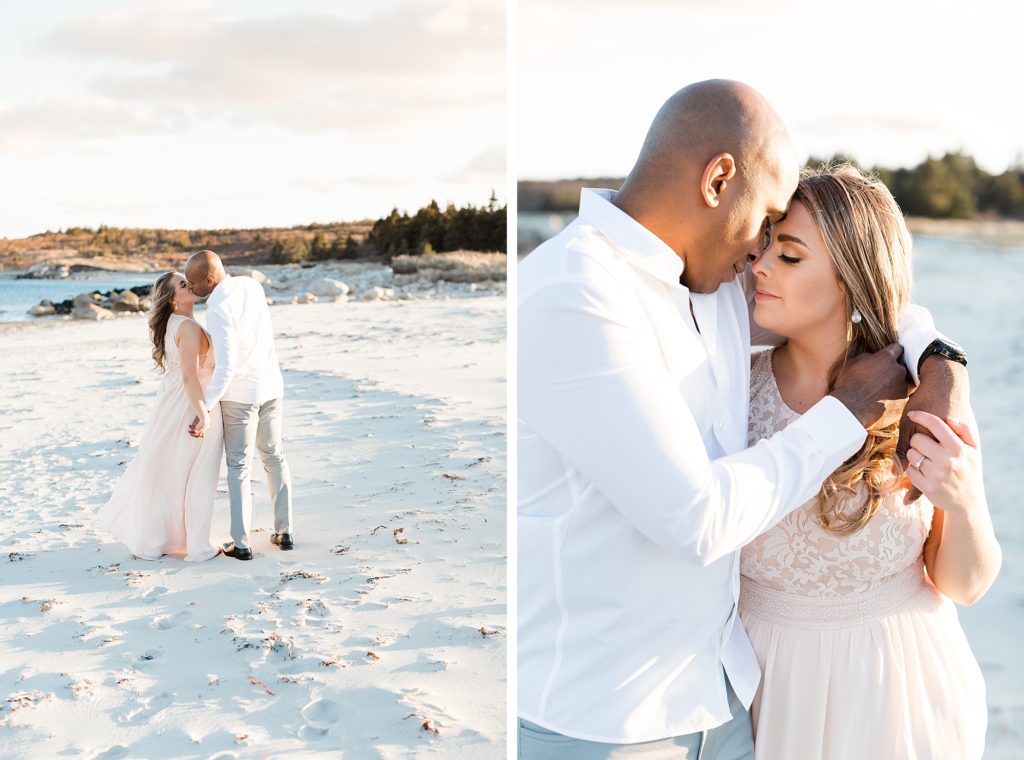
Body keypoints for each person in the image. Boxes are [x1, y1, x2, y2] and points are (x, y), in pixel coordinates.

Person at [517, 80, 969, 758]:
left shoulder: (713, 283)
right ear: (718, 179)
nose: (760, 255)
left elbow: (851, 288)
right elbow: (696, 518)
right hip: (603, 724)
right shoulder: (574, 297)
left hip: (725, 702)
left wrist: (939, 361)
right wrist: (844, 413)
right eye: (764, 223)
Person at [739, 165, 999, 759]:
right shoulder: (730, 391)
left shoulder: (924, 398)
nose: (760, 268)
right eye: (763, 250)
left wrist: (966, 499)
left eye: (791, 256)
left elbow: (965, 584)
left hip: (900, 695)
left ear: (851, 279)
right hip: (762, 690)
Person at [96, 271, 221, 562]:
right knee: (196, 473)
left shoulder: (175, 323)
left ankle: (164, 537)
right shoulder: (187, 327)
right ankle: (195, 544)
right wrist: (204, 414)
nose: (188, 283)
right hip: (189, 404)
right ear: (173, 299)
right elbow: (191, 377)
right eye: (181, 284)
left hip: (173, 401)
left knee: (171, 471)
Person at [184, 250, 294, 561]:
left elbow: (227, 366)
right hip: (271, 384)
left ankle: (241, 542)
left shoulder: (217, 308)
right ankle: (284, 531)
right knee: (274, 456)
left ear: (209, 280)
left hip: (241, 395)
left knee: (239, 466)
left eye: (192, 283)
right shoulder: (251, 285)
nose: (189, 289)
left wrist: (205, 406)